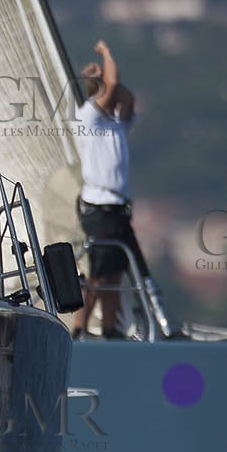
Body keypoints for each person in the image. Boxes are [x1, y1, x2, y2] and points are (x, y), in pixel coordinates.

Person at [70, 39, 150, 338]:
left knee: (115, 273)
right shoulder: (88, 116)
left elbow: (126, 97)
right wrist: (105, 53)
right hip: (98, 207)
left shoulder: (115, 123)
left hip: (118, 208)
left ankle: (109, 330)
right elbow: (113, 85)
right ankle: (80, 329)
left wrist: (104, 76)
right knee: (99, 274)